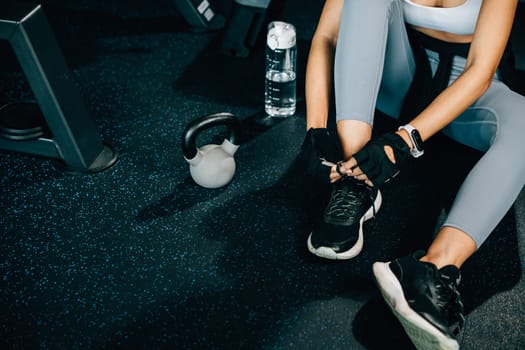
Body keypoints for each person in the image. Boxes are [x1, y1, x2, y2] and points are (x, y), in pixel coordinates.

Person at [301, 0, 523, 349]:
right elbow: (326, 37)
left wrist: (403, 142)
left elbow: (481, 71)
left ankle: (432, 270)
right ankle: (355, 181)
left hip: (468, 93)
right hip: (398, 77)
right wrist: (316, 131)